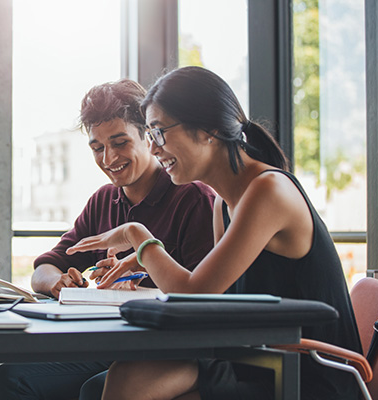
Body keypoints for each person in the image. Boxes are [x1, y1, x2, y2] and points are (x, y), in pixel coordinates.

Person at [66, 66, 362, 400]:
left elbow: (193, 294)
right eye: (150, 135)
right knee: (122, 377)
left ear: (209, 130)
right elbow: (211, 301)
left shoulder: (268, 191)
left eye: (159, 132)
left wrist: (138, 237)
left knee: (128, 383)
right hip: (256, 358)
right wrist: (144, 261)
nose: (153, 148)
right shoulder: (223, 203)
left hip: (308, 373)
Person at [0, 79, 217, 400]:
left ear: (148, 137)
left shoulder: (193, 198)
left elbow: (204, 299)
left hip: (171, 351)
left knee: (95, 390)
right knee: (7, 380)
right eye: (97, 147)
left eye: (120, 143)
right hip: (112, 345)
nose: (108, 159)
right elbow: (44, 268)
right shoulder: (103, 201)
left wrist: (137, 292)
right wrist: (58, 283)